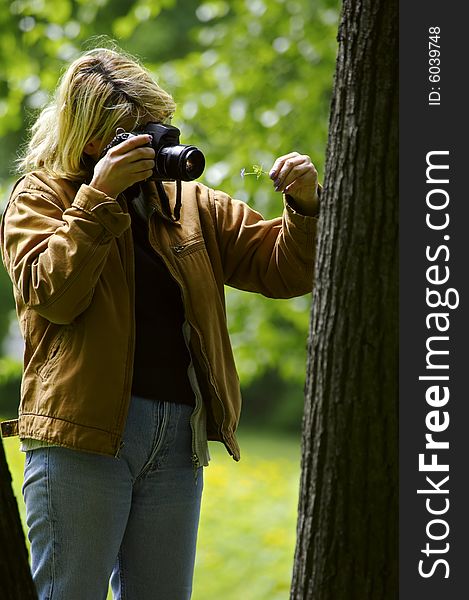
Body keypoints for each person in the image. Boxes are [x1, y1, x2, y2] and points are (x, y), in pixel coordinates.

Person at [0, 46, 320, 600]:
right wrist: (98, 198)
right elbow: (50, 294)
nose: (148, 149)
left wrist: (305, 206)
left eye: (152, 130)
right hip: (84, 437)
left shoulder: (188, 203)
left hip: (177, 440)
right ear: (92, 137)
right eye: (130, 136)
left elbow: (284, 269)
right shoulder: (42, 196)